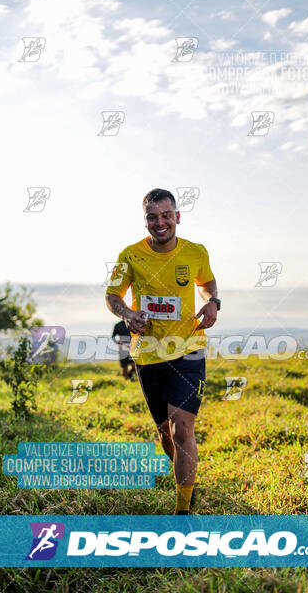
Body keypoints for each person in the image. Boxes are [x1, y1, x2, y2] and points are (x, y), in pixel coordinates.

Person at [105, 188, 221, 514]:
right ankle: (185, 475)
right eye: (153, 217)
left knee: (182, 427)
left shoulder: (196, 252)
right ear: (146, 221)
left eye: (166, 216)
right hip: (148, 354)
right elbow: (113, 296)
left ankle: (183, 511)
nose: (160, 223)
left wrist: (213, 302)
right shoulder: (129, 255)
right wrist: (127, 313)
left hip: (189, 349)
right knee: (166, 435)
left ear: (177, 217)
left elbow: (208, 283)